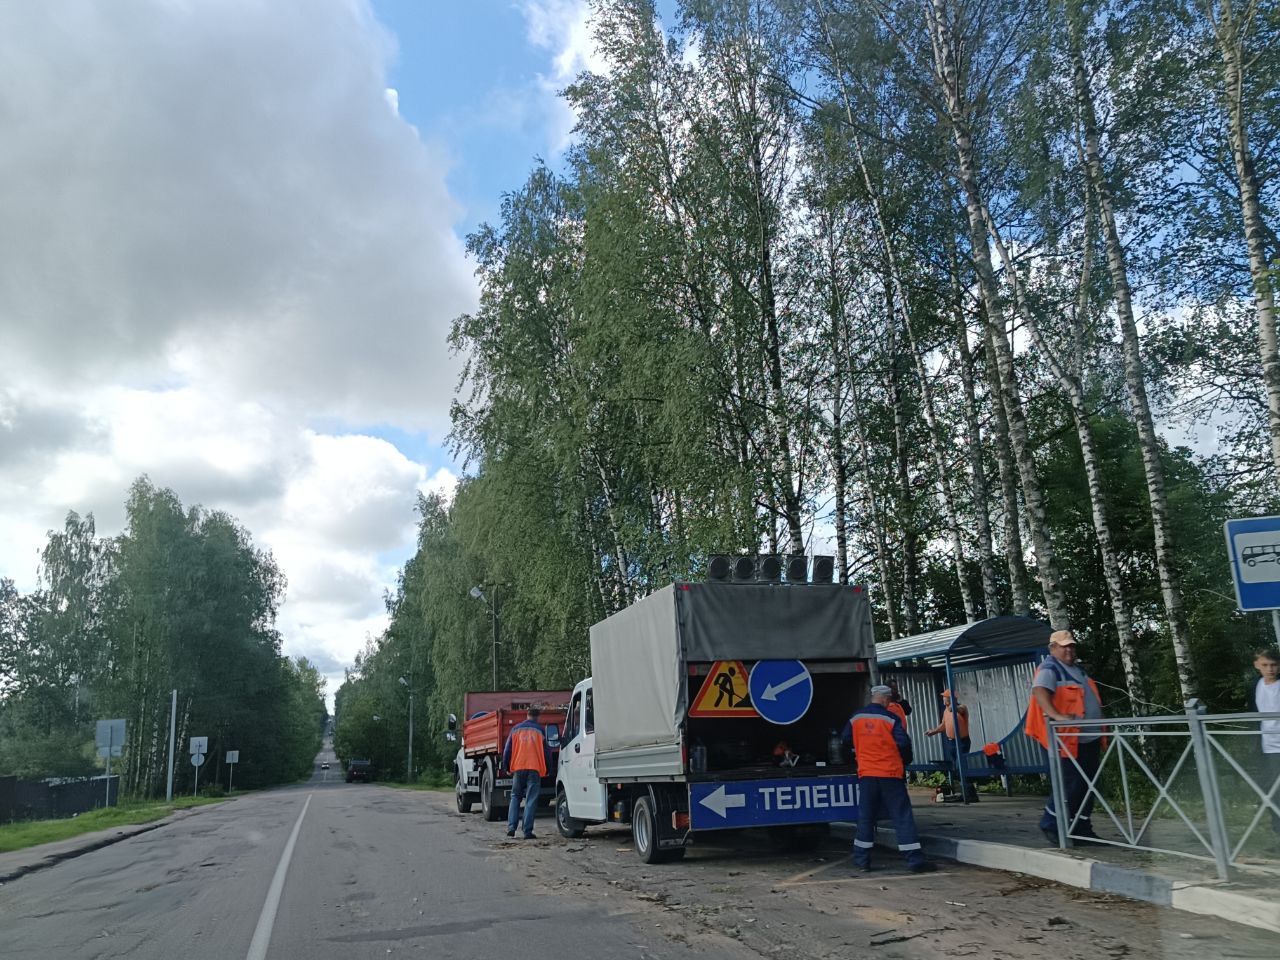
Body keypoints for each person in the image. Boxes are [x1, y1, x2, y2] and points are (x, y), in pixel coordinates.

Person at [843, 684, 937, 873]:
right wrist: (904, 760)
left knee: (865, 817)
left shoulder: (856, 718)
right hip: (890, 774)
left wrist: (861, 750)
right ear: (886, 699)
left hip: (867, 775)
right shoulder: (891, 719)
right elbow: (903, 744)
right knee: (901, 816)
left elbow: (845, 739)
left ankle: (862, 860)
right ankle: (914, 861)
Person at [1025, 630, 1106, 845]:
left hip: (1087, 738)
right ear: (1052, 648)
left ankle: (1082, 827)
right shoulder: (1050, 668)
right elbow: (1039, 691)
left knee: (1087, 784)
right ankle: (1052, 824)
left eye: (1071, 645)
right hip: (1064, 739)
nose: (1069, 649)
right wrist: (1057, 716)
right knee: (1069, 783)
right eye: (1064, 646)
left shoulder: (1078, 670)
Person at [501, 705, 551, 840]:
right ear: (537, 717)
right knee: (531, 799)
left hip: (518, 768)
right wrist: (548, 768)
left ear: (527, 715)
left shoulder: (515, 729)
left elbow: (507, 751)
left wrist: (506, 767)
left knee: (515, 796)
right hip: (534, 769)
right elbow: (547, 752)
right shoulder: (540, 730)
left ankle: (511, 828)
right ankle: (527, 831)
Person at [1247, 647, 1280, 840]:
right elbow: (1252, 714)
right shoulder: (1254, 685)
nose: (1270, 669)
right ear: (1256, 665)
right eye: (1265, 665)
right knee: (1268, 787)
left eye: (1274, 665)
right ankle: (1277, 827)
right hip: (1266, 745)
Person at [925, 690, 970, 758]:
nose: (943, 698)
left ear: (951, 698)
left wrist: (953, 706)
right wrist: (933, 731)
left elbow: (958, 709)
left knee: (962, 761)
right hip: (951, 742)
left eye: (945, 696)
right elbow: (943, 725)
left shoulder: (962, 707)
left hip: (962, 742)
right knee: (955, 762)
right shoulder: (946, 711)